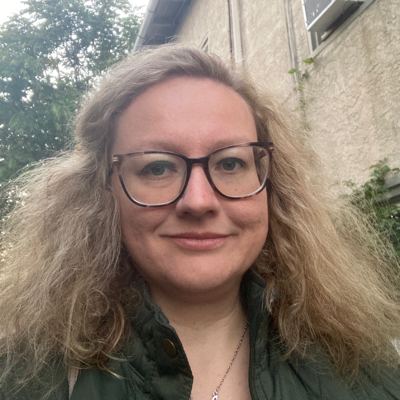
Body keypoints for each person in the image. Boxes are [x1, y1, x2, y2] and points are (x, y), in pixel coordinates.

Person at [1, 44, 400, 400]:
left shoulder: (365, 370)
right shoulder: (22, 378)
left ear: (272, 186)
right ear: (102, 191)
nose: (198, 201)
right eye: (157, 167)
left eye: (230, 163)